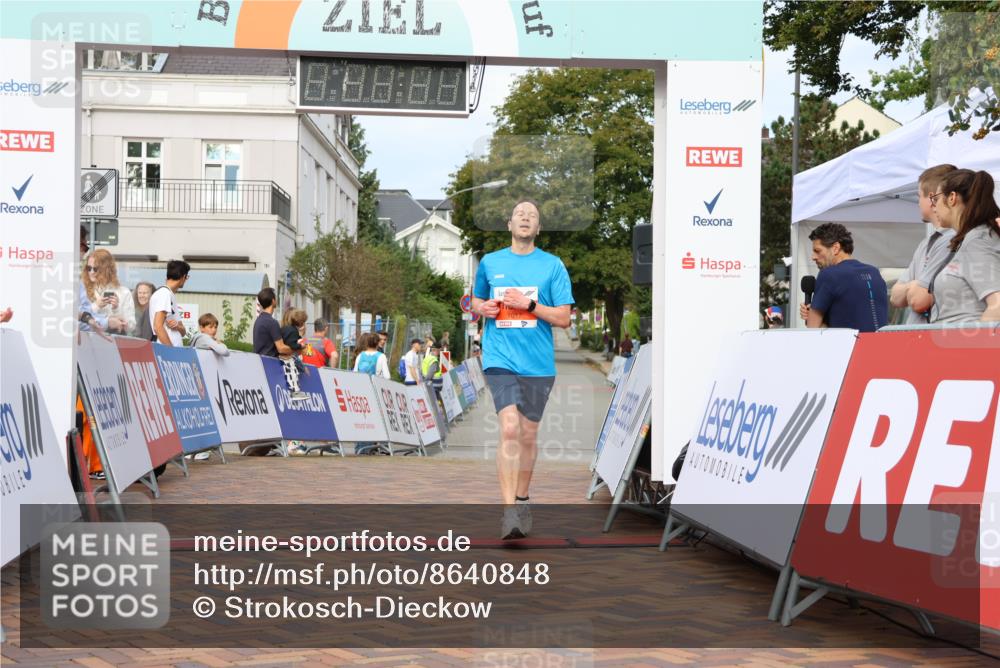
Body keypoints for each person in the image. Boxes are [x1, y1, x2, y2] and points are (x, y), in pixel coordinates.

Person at [471, 198, 574, 540]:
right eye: (519, 214)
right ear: (509, 225)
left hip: (538, 364)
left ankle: (523, 497)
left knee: (528, 435)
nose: (525, 218)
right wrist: (481, 307)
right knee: (510, 429)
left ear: (538, 228)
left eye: (532, 216)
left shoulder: (553, 266)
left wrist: (528, 304)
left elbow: (563, 317)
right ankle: (508, 513)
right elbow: (473, 300)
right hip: (499, 359)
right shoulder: (490, 262)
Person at [908, 169, 1000, 323]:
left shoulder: (976, 240)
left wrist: (975, 345)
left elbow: (997, 305)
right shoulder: (972, 239)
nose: (933, 206)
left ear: (952, 198)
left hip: (965, 342)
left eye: (936, 199)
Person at [889, 164, 958, 324]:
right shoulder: (926, 243)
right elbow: (895, 298)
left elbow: (919, 301)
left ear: (932, 198)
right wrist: (914, 286)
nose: (918, 203)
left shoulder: (952, 239)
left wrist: (913, 286)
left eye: (919, 196)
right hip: (919, 338)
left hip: (935, 338)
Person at [799, 223, 888, 332]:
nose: (813, 257)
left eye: (817, 251)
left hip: (850, 347)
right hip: (882, 344)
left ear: (836, 248)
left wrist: (812, 317)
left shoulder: (828, 274)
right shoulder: (874, 272)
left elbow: (813, 330)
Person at [82, 248, 136, 335]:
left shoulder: (123, 292)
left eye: (95, 269)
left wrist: (116, 309)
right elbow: (78, 319)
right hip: (88, 342)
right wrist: (96, 306)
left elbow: (131, 326)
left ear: (106, 270)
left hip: (115, 343)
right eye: (89, 268)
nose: (91, 272)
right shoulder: (82, 290)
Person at [150, 260, 190, 346]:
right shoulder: (164, 294)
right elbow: (158, 326)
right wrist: (171, 351)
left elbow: (183, 332)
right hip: (167, 353)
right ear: (183, 277)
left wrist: (177, 327)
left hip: (173, 352)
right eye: (187, 277)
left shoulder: (169, 294)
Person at [252, 287, 295, 359]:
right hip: (269, 364)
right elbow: (281, 348)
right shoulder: (272, 322)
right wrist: (296, 349)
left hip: (259, 362)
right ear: (273, 301)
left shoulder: (258, 320)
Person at [279, 308, 309, 403]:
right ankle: (295, 391)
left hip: (285, 357)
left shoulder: (284, 329)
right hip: (288, 358)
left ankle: (295, 391)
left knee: (292, 373)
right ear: (301, 323)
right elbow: (307, 352)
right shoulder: (293, 332)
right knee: (292, 373)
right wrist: (301, 344)